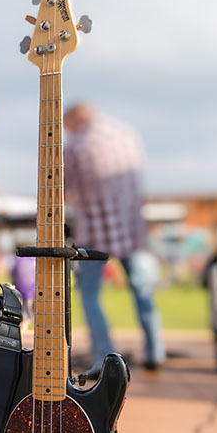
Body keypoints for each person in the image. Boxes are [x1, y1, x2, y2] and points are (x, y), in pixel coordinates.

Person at [64, 103, 165, 372]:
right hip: (131, 226)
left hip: (95, 230)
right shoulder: (127, 134)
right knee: (142, 289)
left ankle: (104, 357)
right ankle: (155, 351)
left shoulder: (78, 144)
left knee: (90, 294)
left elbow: (64, 188)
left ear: (73, 121)